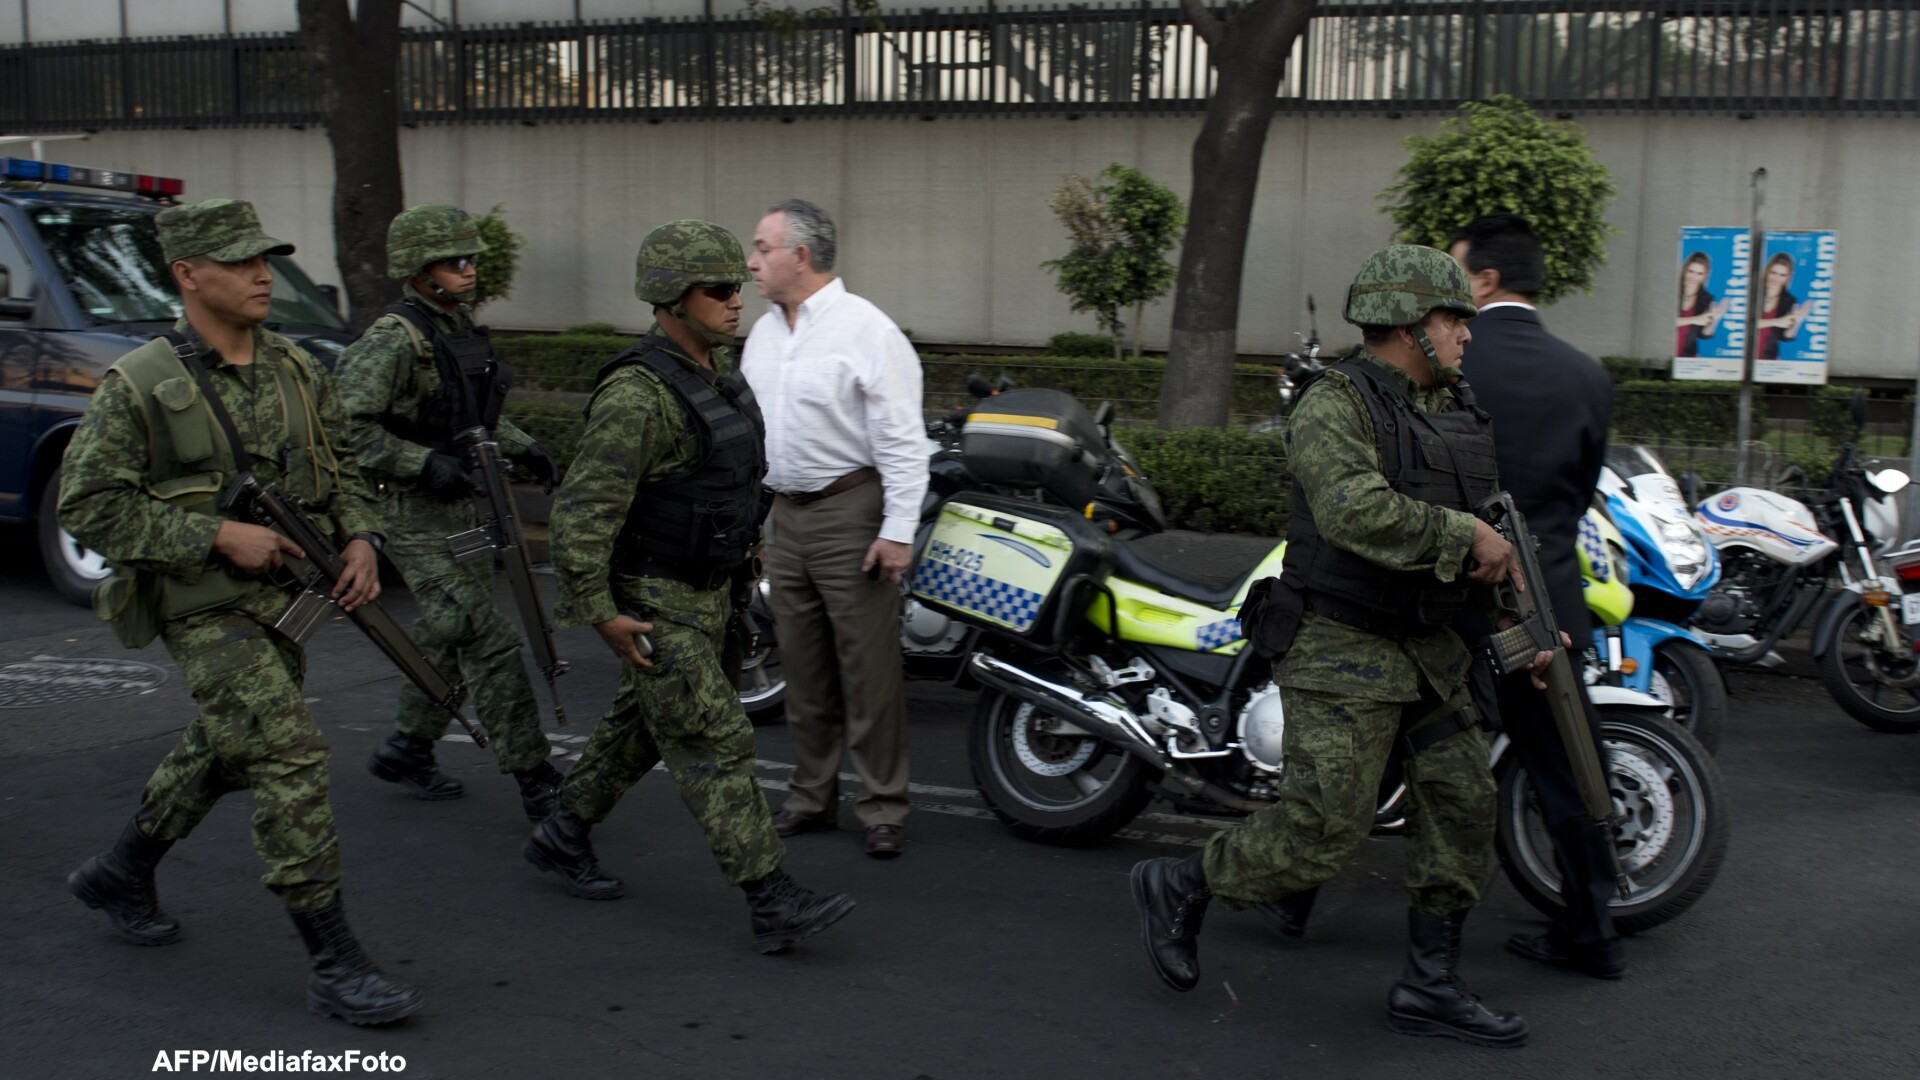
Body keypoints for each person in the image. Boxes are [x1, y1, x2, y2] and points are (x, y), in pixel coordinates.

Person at [1131, 246, 1546, 1048]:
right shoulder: (1336, 403)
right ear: (1408, 324)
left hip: (1430, 646)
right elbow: (1354, 511)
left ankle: (1431, 984)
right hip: (1343, 645)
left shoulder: (1456, 408)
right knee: (1324, 830)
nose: (1467, 331)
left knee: (1464, 803)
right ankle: (1182, 881)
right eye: (1452, 317)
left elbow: (1492, 536)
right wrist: (1465, 536)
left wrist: (1522, 626)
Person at [59, 199, 420, 1025]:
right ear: (187, 274)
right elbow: (86, 504)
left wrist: (362, 538)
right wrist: (216, 534)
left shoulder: (297, 367)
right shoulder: (143, 383)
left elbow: (348, 468)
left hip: (285, 604)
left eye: (267, 258)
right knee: (287, 754)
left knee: (228, 748)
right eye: (241, 261)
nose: (264, 274)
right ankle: (333, 960)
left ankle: (121, 871)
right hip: (200, 606)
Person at [525, 219, 854, 955]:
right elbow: (581, 513)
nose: (736, 300)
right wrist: (602, 613)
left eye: (737, 285)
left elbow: (729, 477)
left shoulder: (717, 371)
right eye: (717, 289)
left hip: (714, 592)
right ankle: (770, 897)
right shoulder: (637, 396)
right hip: (655, 601)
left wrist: (749, 548)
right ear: (671, 298)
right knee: (714, 738)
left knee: (642, 729)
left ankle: (562, 831)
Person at [334, 203, 564, 823]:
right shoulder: (391, 340)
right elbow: (344, 431)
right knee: (486, 638)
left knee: (445, 630)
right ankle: (536, 779)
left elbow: (472, 417)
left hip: (462, 504)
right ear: (418, 271)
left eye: (472, 260)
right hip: (410, 512)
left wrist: (525, 448)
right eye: (455, 262)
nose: (469, 271)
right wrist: (421, 463)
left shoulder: (454, 328)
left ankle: (408, 746)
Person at [740, 199, 928, 860]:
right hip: (785, 514)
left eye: (762, 247)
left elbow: (905, 443)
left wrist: (898, 532)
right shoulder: (763, 334)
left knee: (867, 670)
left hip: (852, 512)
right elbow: (753, 436)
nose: (751, 261)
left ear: (802, 255)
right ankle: (810, 795)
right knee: (802, 665)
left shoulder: (867, 331)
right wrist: (755, 523)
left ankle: (883, 805)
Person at [1755, 252, 1808, 360]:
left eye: (1782, 275)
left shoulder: (1789, 301)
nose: (1776, 278)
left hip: (1768, 359)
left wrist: (1796, 324)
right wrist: (1776, 321)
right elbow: (1745, 324)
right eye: (1773, 272)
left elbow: (1785, 337)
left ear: (1788, 277)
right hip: (1745, 356)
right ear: (1767, 271)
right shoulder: (1753, 293)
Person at [1675, 251, 1725, 358]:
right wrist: (1694, 319)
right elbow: (1665, 322)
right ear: (1684, 270)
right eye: (1690, 271)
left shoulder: (1707, 299)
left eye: (1699, 274)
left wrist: (1714, 321)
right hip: (1666, 352)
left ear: (1705, 276)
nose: (1693, 277)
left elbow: (1704, 335)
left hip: (1688, 357)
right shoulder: (1673, 290)